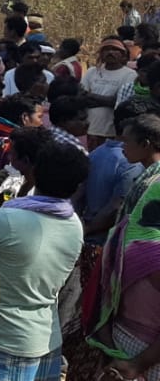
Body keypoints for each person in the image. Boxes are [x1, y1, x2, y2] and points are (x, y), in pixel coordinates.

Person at [0, 142, 87, 381]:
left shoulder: (6, 219)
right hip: (44, 335)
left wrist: (2, 200)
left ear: (34, 172)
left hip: (3, 337)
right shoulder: (74, 223)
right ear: (77, 186)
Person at [83, 112, 160, 381]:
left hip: (139, 345)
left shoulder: (151, 183)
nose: (122, 146)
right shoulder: (147, 175)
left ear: (147, 143)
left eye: (127, 141)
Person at [82, 38, 137, 147]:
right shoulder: (92, 72)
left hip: (114, 132)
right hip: (92, 129)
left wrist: (91, 96)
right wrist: (108, 100)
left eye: (115, 49)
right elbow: (81, 96)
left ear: (123, 55)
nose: (110, 52)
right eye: (106, 49)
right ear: (100, 54)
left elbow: (120, 102)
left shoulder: (130, 75)